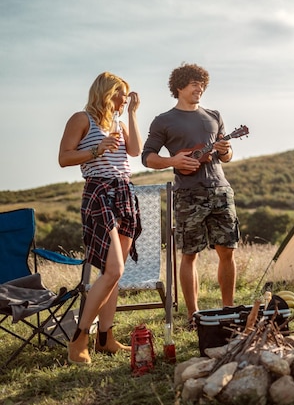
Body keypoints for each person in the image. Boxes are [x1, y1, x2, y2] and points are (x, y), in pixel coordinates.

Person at [142, 63, 239, 329]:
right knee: (189, 255)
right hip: (187, 194)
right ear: (179, 87)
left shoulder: (214, 115)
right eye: (194, 84)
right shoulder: (164, 120)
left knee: (227, 251)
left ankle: (229, 309)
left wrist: (226, 149)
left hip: (220, 189)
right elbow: (147, 157)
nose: (199, 89)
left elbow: (226, 157)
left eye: (202, 84)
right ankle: (194, 316)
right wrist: (174, 161)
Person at [59, 72, 142, 365]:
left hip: (124, 190)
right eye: (122, 93)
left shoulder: (118, 122)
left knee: (114, 274)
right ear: (107, 92)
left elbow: (135, 151)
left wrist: (131, 114)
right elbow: (64, 158)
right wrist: (96, 149)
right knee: (114, 269)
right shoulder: (82, 119)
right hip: (99, 191)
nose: (125, 98)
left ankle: (105, 338)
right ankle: (78, 339)